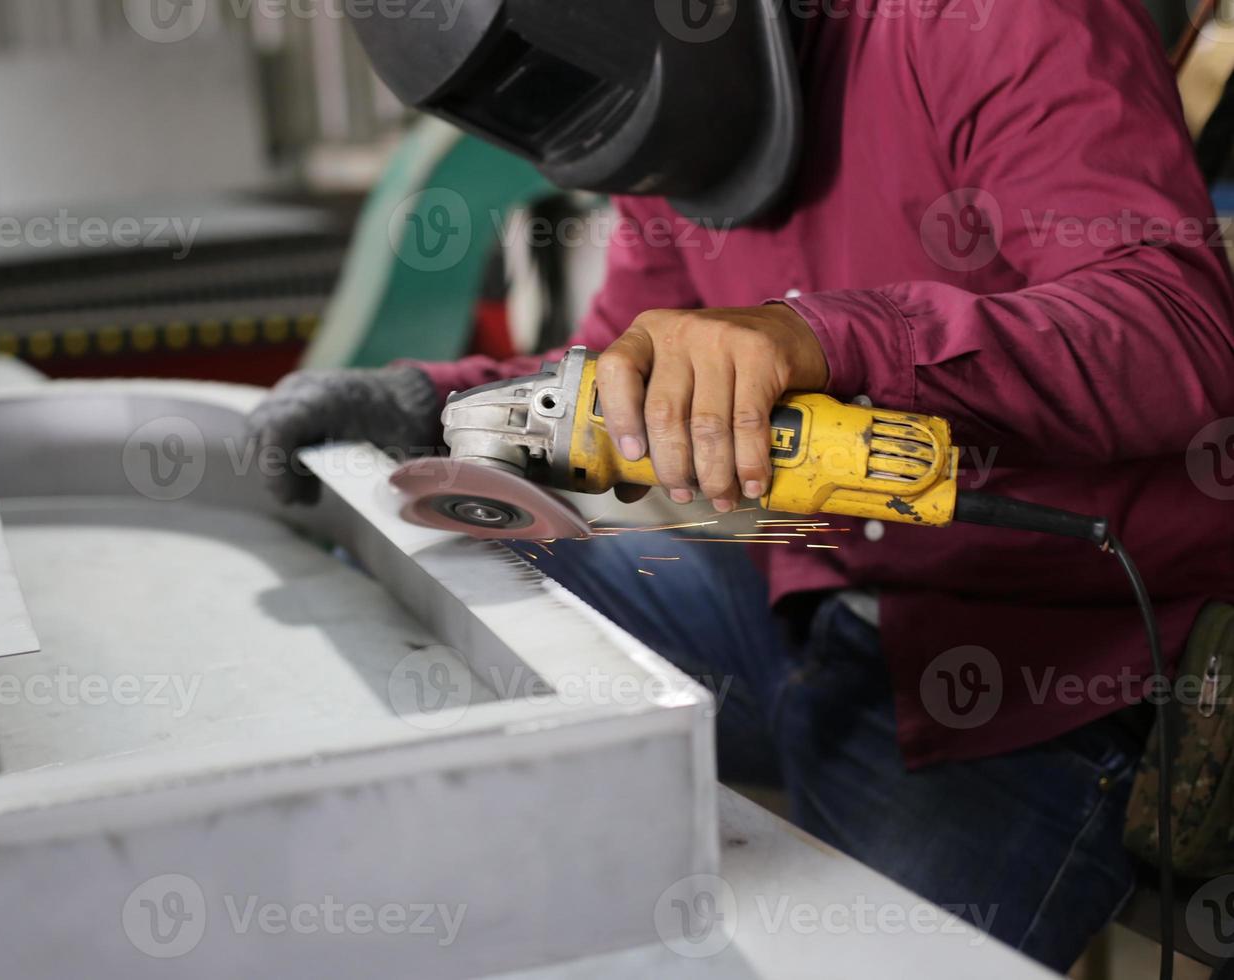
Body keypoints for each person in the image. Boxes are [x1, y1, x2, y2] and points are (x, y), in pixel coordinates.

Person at [249, 0, 1234, 968]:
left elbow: (1173, 333)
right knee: (426, 551)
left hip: (1031, 669)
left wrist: (827, 336)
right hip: (792, 587)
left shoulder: (991, 21)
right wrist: (432, 405)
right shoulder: (658, 123)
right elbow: (619, 371)